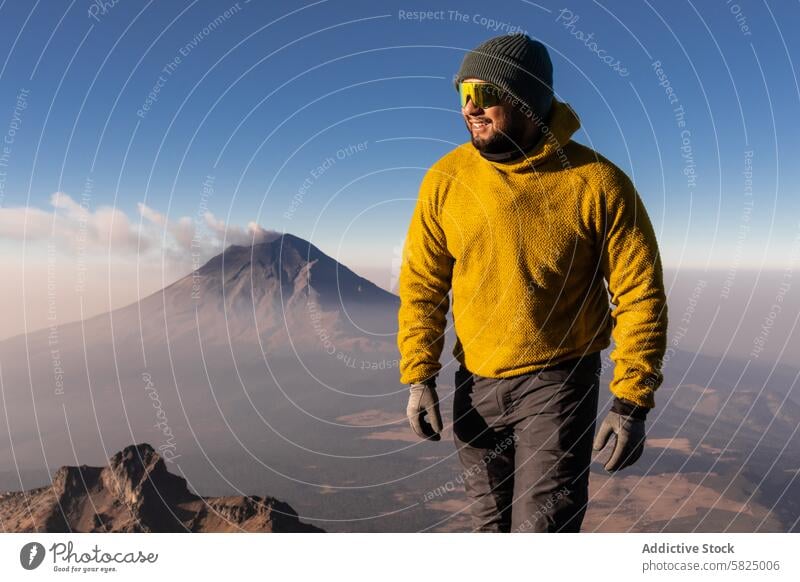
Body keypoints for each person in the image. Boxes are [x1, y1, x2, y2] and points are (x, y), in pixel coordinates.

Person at [397, 33, 668, 533]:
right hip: (473, 381)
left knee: (541, 535)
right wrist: (419, 377)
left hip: (558, 383)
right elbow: (422, 284)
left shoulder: (598, 183)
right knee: (490, 529)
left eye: (487, 92)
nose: (472, 107)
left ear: (528, 99)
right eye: (463, 94)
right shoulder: (446, 180)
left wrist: (631, 402)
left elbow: (639, 294)